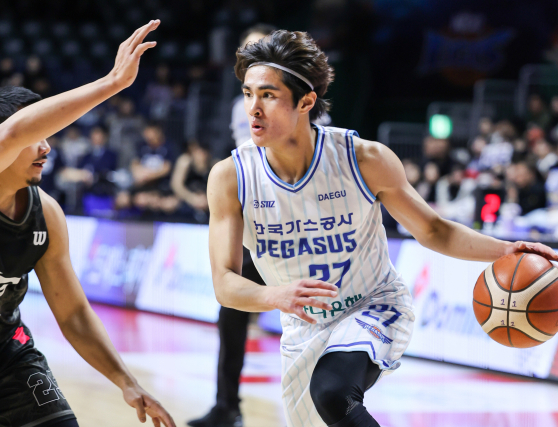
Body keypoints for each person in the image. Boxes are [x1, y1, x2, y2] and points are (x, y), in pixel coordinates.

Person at [206, 30, 558, 427]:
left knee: (332, 392)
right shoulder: (230, 178)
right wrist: (274, 295)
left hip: (373, 305)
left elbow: (434, 231)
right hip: (304, 328)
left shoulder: (365, 159)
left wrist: (505, 250)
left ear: (305, 102)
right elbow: (224, 284)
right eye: (248, 93)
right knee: (324, 401)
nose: (252, 108)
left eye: (267, 95)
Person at [0, 20, 175, 427]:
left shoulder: (46, 214)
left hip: (4, 354)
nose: (47, 145)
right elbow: (13, 133)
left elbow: (71, 312)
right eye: (39, 132)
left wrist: (126, 382)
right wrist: (111, 83)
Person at [187, 24, 275, 427]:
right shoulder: (236, 102)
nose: (248, 52)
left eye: (255, 46)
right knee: (231, 311)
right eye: (244, 47)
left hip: (287, 218)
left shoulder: (293, 99)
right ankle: (227, 405)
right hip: (248, 215)